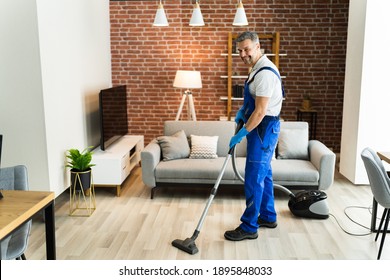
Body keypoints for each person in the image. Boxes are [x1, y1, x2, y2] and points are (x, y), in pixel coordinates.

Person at [224, 31, 283, 241]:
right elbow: (254, 101)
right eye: (239, 50)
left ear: (257, 46)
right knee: (264, 174)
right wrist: (242, 111)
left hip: (263, 128)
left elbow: (260, 112)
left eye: (246, 49)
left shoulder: (265, 73)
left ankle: (249, 227)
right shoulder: (256, 68)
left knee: (253, 178)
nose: (242, 54)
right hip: (262, 127)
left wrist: (241, 133)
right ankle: (268, 216)